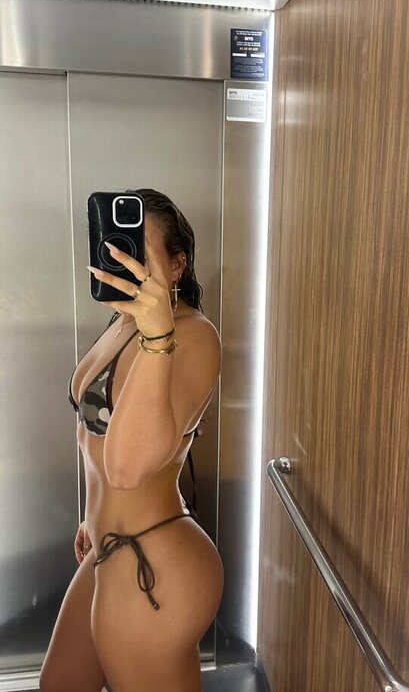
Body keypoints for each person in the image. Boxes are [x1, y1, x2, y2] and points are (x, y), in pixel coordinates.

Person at [39, 188, 224, 692]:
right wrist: (93, 514)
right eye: (118, 247)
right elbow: (96, 440)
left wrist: (157, 335)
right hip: (108, 544)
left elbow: (126, 469)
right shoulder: (122, 322)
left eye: (140, 252)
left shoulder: (193, 336)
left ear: (177, 264)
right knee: (60, 685)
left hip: (155, 560)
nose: (126, 262)